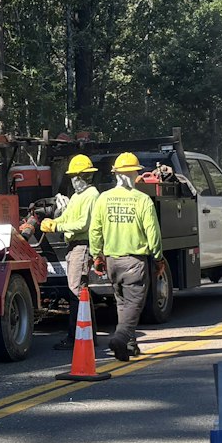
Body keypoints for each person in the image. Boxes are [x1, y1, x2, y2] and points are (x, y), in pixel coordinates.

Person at [88, 151, 161, 362]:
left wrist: (97, 256)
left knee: (122, 303)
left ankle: (129, 344)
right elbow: (153, 233)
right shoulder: (142, 200)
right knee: (134, 304)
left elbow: (95, 230)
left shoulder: (104, 199)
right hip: (134, 262)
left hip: (112, 261)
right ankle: (120, 339)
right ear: (134, 175)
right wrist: (158, 257)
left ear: (116, 175)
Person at [45, 153, 100, 335]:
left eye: (76, 176)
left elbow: (83, 224)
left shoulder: (91, 195)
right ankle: (84, 333)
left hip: (83, 246)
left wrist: (57, 226)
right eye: (73, 177)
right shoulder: (77, 196)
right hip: (74, 247)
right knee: (78, 291)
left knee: (76, 291)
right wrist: (53, 221)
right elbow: (67, 216)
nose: (74, 180)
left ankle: (77, 335)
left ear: (85, 176)